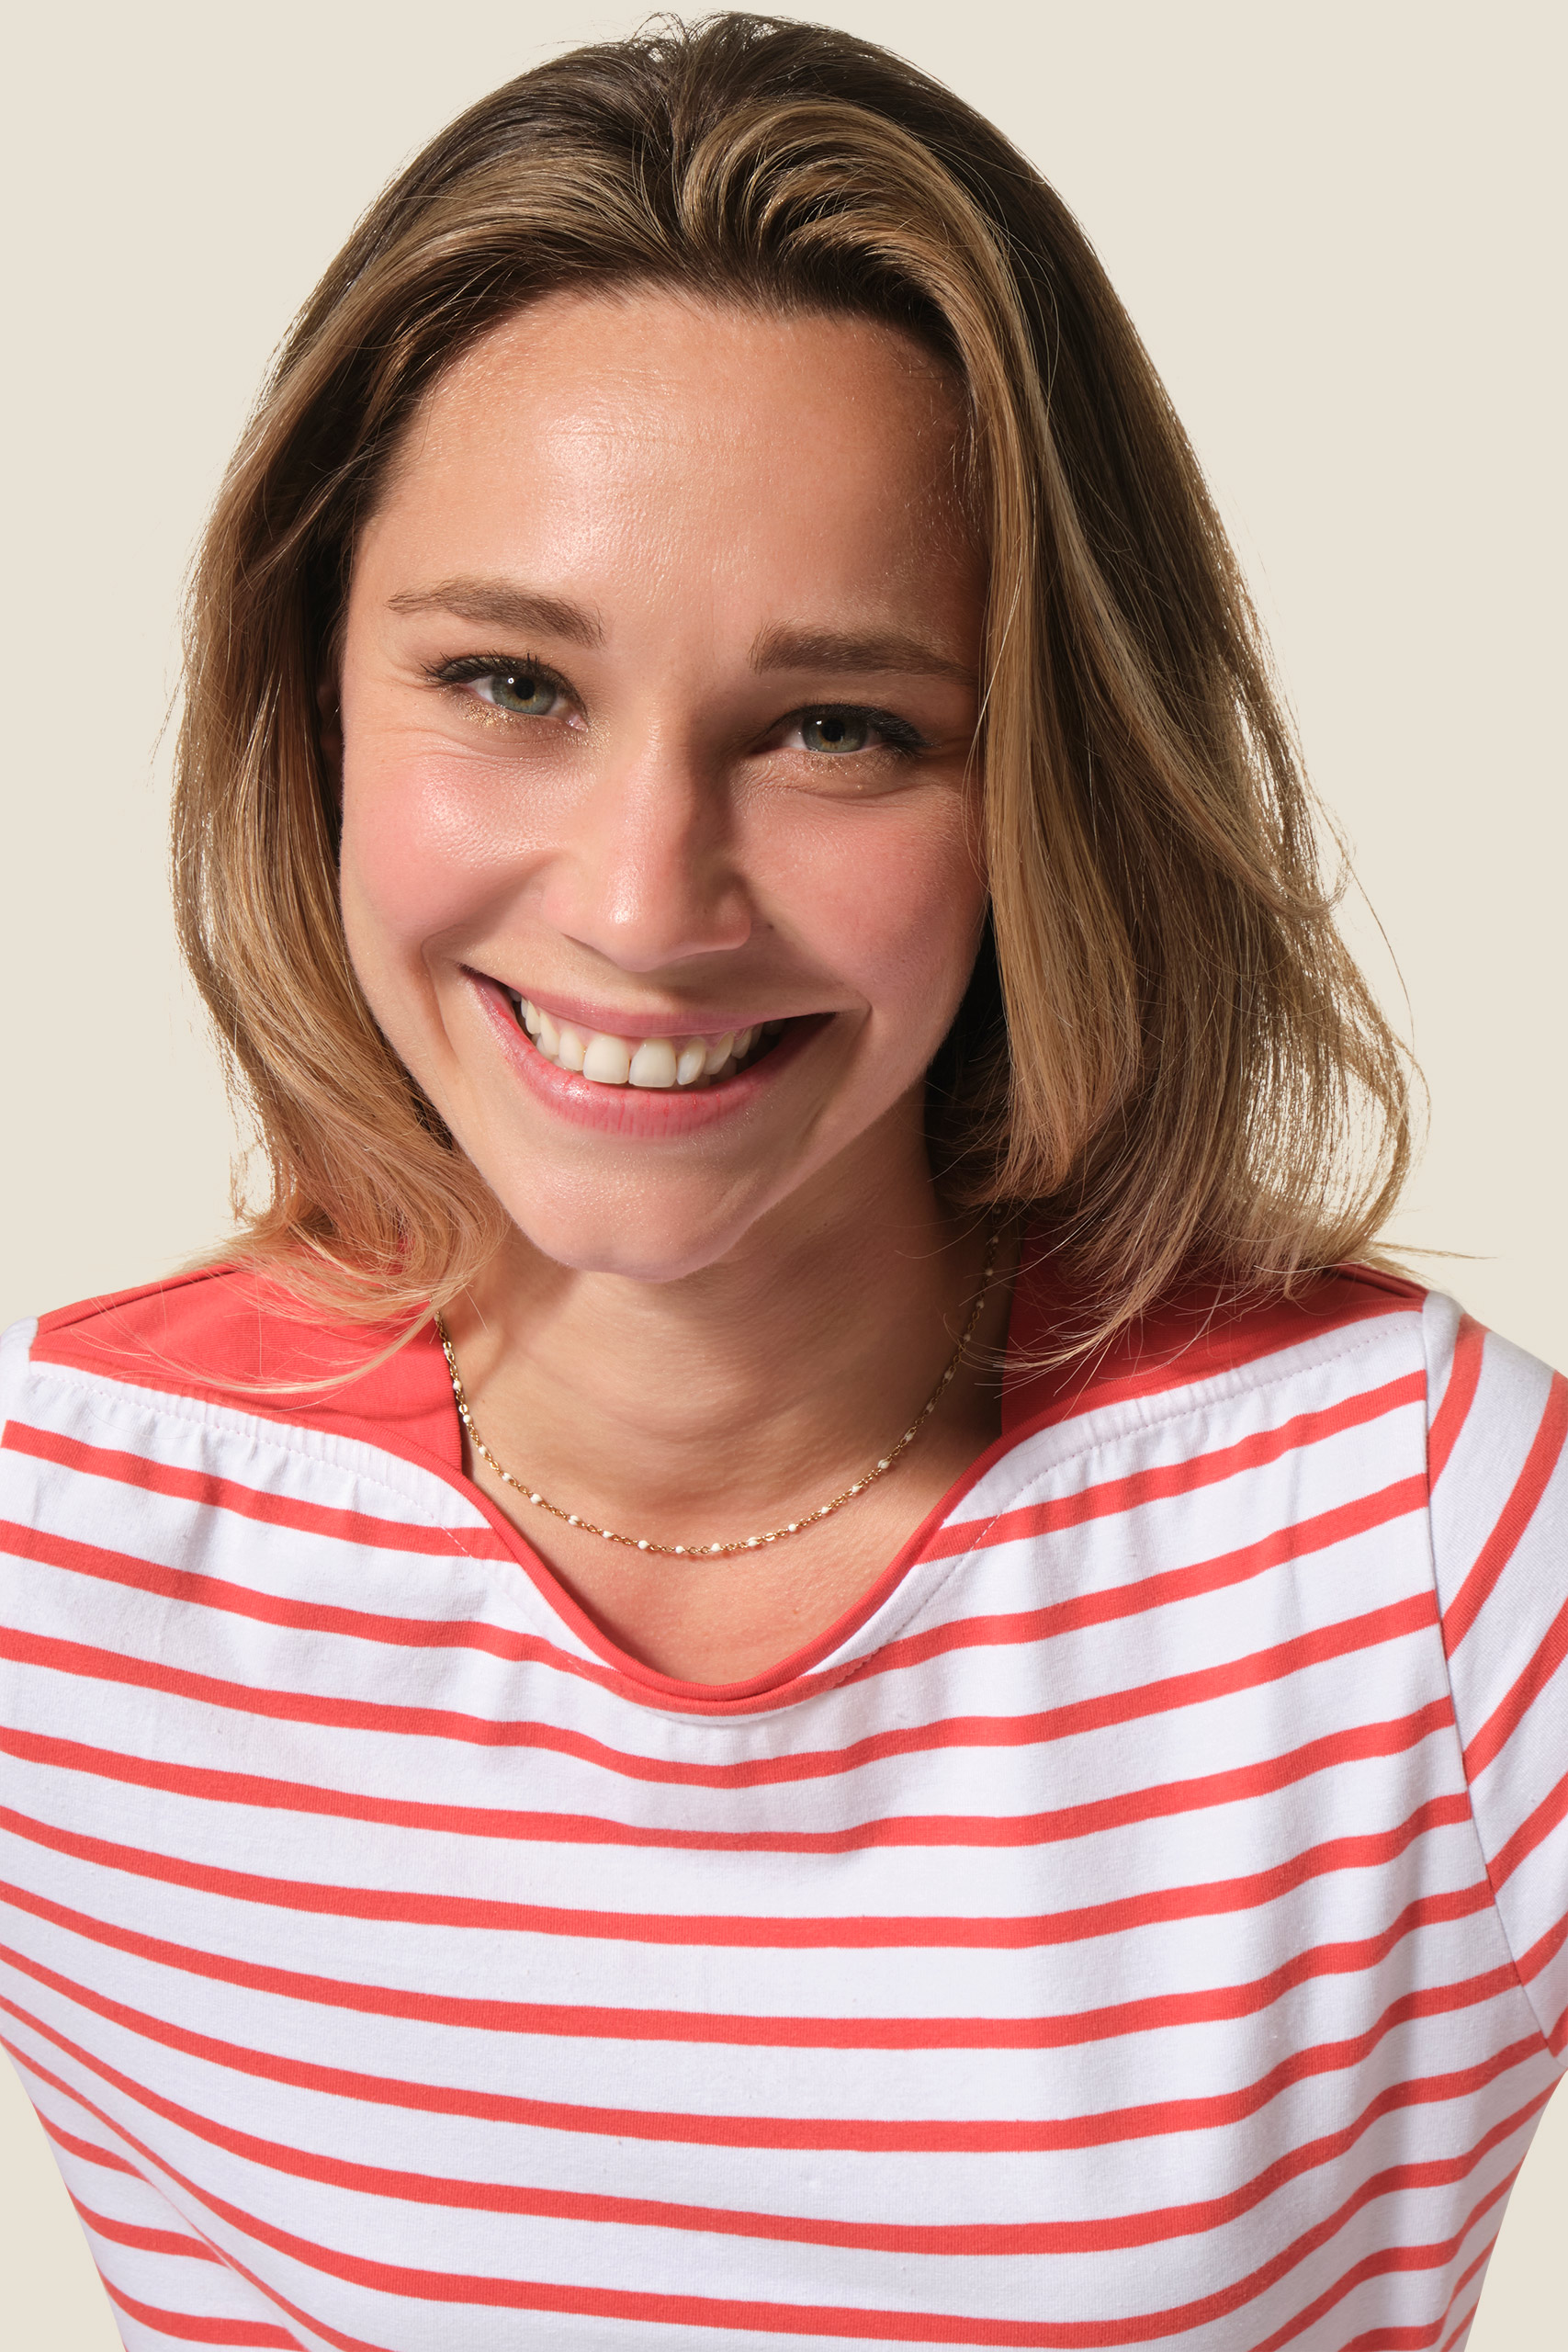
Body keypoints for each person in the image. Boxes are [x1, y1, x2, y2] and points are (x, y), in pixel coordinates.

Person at [1, 13, 1562, 2346]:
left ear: (1042, 782)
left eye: (840, 724)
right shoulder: (57, 1546)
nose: (645, 903)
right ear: (308, 693)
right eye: (509, 681)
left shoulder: (1425, 1546)